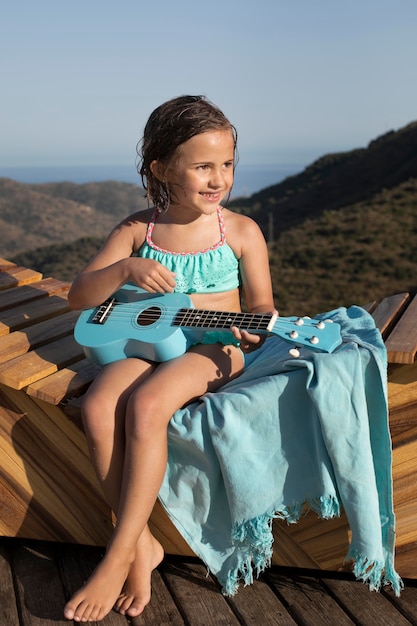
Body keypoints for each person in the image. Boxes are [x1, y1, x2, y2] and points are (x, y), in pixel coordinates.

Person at [64, 95, 276, 623]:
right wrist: (125, 271)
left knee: (149, 403)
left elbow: (263, 307)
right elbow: (79, 295)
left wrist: (251, 330)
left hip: (213, 349)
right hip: (152, 344)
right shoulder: (140, 231)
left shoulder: (241, 231)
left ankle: (120, 553)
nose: (218, 178)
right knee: (97, 407)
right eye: (203, 166)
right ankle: (143, 546)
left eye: (226, 164)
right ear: (161, 168)